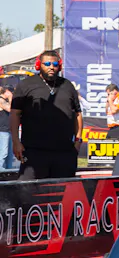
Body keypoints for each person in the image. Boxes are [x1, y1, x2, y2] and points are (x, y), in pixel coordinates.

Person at [10, 50, 83, 180]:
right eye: (47, 64)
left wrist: (78, 141)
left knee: (63, 190)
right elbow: (15, 113)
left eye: (55, 64)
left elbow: (78, 114)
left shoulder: (67, 85)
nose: (51, 67)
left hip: (64, 152)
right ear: (39, 65)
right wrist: (16, 141)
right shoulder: (26, 85)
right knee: (28, 189)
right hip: (34, 151)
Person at [0, 87, 12, 170]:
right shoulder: (1, 100)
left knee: (9, 153)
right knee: (4, 152)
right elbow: (10, 109)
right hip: (3, 130)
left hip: (8, 130)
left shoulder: (4, 100)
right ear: (6, 91)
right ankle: (0, 168)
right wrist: (10, 98)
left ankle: (8, 170)